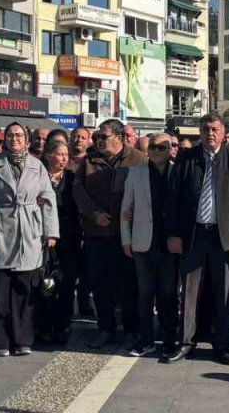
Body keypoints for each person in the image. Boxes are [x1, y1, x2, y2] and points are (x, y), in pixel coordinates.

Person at [164, 112, 229, 365]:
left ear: (224, 133)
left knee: (224, 293)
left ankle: (222, 345)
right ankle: (186, 343)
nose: (209, 134)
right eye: (205, 129)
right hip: (193, 235)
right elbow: (173, 199)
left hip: (223, 237)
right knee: (189, 292)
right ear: (199, 133)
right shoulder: (186, 158)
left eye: (214, 129)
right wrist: (173, 233)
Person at [0, 122, 59, 356]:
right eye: (10, 135)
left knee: (24, 289)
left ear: (27, 139)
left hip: (29, 229)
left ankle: (23, 340)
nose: (14, 139)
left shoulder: (37, 165)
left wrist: (50, 231)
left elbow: (48, 198)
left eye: (19, 135)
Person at [75, 119, 147, 349]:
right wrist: (93, 213)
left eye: (103, 137)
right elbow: (78, 190)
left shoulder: (139, 159)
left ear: (119, 137)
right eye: (96, 137)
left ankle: (131, 330)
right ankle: (105, 328)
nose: (98, 141)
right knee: (100, 285)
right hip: (97, 234)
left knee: (129, 286)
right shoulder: (89, 161)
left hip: (127, 237)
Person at [121, 132, 179, 358]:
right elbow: (126, 208)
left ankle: (169, 339)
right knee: (144, 295)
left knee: (168, 294)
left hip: (170, 244)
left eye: (162, 147)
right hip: (143, 242)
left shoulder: (178, 172)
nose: (156, 151)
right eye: (153, 146)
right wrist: (126, 239)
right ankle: (145, 340)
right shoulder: (136, 173)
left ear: (171, 149)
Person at [40, 140, 79, 343]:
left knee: (66, 283)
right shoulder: (38, 177)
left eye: (66, 154)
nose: (63, 158)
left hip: (69, 238)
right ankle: (44, 325)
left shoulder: (72, 178)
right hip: (42, 238)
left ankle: (63, 325)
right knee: (44, 284)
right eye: (59, 154)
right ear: (48, 155)